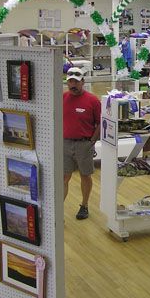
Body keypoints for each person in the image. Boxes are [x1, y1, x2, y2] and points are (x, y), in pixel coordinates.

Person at [63, 67, 101, 220]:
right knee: (64, 177)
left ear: (83, 82)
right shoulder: (62, 97)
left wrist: (92, 140)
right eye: (70, 82)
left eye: (76, 82)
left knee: (85, 175)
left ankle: (84, 205)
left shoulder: (92, 100)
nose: (73, 85)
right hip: (65, 143)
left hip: (84, 144)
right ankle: (59, 209)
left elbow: (100, 123)